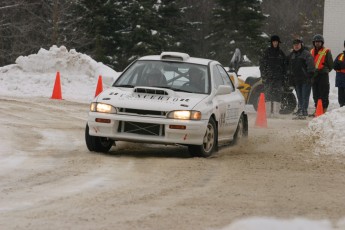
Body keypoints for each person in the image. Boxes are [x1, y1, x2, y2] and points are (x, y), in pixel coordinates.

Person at [286, 38, 315, 119]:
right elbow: (289, 66)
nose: (296, 46)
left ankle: (304, 110)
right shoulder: (292, 55)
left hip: (305, 79)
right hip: (296, 79)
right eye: (295, 45)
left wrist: (310, 75)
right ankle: (300, 109)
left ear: (301, 45)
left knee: (305, 95)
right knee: (299, 95)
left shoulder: (306, 54)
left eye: (298, 45)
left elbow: (311, 65)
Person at [259, 35, 286, 117]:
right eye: (274, 42)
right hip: (268, 77)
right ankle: (267, 112)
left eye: (276, 42)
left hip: (278, 78)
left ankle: (276, 113)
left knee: (277, 94)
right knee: (268, 94)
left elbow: (285, 65)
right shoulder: (267, 52)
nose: (275, 43)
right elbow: (262, 65)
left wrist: (284, 76)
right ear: (271, 42)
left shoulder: (281, 53)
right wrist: (263, 76)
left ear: (278, 43)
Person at [310, 34, 333, 114]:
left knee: (324, 92)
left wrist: (324, 70)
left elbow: (330, 65)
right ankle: (317, 109)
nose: (317, 43)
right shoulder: (312, 51)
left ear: (322, 43)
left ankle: (324, 109)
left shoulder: (326, 51)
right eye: (316, 42)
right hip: (314, 75)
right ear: (314, 43)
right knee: (315, 93)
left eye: (319, 42)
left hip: (323, 75)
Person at [333, 40, 345, 107]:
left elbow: (339, 65)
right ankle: (341, 106)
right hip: (341, 80)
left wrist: (341, 66)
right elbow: (334, 66)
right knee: (341, 96)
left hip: (341, 78)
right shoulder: (340, 56)